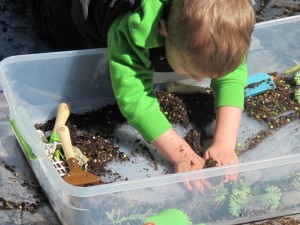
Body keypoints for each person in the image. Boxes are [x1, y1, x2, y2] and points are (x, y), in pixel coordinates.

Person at [25, 0, 256, 191]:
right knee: (57, 29)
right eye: (191, 70)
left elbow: (232, 75)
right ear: (164, 30)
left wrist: (225, 142)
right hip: (82, 9)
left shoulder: (228, 28)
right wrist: (180, 153)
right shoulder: (134, 29)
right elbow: (135, 99)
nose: (198, 80)